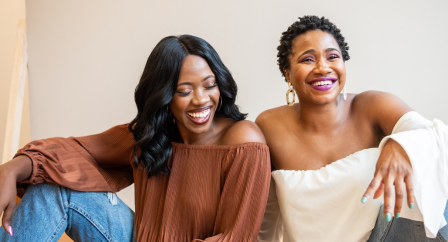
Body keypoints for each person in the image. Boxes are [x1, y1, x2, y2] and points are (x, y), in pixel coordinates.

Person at [0, 35, 271, 242]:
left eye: (209, 85)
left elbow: (236, 237)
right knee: (53, 187)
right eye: (184, 90)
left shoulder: (243, 140)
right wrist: (10, 170)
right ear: (164, 98)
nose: (201, 99)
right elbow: (74, 150)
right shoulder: (153, 134)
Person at [256, 16, 448, 242]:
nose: (323, 68)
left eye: (333, 57)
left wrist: (399, 145)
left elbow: (442, 137)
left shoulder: (373, 106)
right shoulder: (269, 126)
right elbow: (264, 211)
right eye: (308, 59)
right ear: (287, 73)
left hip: (384, 236)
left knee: (436, 166)